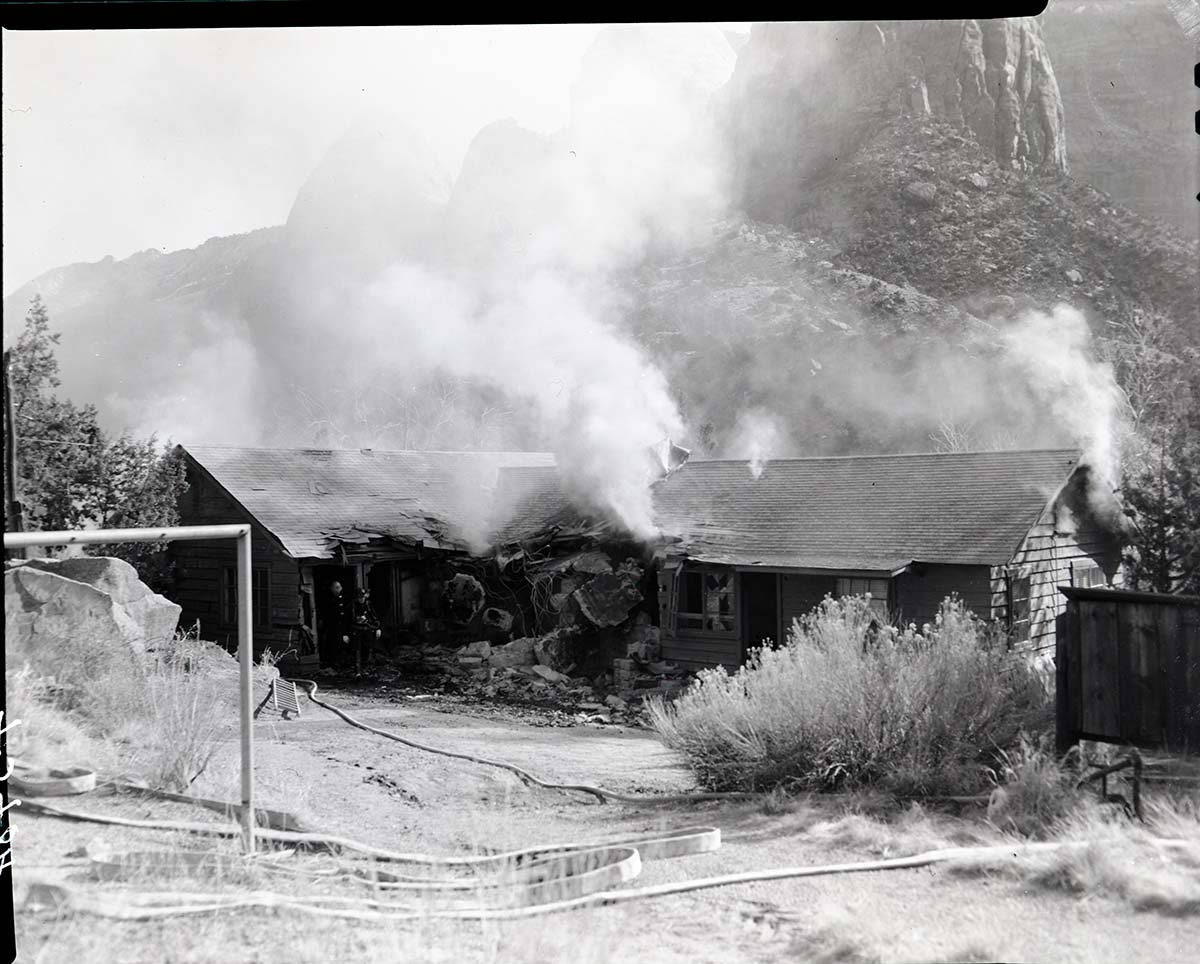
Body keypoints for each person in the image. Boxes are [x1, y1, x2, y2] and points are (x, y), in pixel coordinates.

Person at [352, 586, 382, 678]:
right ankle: (358, 672)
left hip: (368, 630)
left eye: (363, 597)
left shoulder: (368, 605)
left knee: (368, 650)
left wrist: (377, 628)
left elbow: (374, 617)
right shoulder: (352, 606)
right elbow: (346, 621)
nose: (362, 599)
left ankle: (368, 670)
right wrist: (345, 634)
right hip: (356, 631)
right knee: (357, 651)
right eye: (360, 597)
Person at [326, 580, 353, 669]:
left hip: (344, 625)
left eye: (340, 587)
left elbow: (347, 615)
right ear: (331, 589)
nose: (339, 589)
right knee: (334, 644)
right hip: (333, 626)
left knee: (345, 644)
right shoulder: (328, 599)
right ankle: (334, 662)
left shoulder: (345, 598)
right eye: (336, 587)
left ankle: (345, 662)